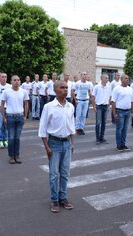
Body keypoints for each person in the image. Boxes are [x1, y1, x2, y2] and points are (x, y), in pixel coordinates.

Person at [38, 80, 75, 213]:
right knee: (54, 174)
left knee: (65, 173)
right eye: (62, 87)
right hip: (54, 143)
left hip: (66, 143)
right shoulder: (49, 107)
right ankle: (54, 200)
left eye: (66, 87)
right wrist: (47, 147)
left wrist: (72, 143)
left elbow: (72, 126)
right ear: (55, 90)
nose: (65, 90)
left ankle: (63, 198)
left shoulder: (70, 106)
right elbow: (42, 128)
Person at [1, 75, 29, 164]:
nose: (16, 81)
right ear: (11, 81)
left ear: (20, 81)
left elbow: (26, 104)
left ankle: (17, 155)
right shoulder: (6, 92)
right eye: (14, 80)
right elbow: (2, 104)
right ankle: (11, 156)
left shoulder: (23, 92)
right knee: (11, 138)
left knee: (17, 138)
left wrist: (25, 116)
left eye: (18, 80)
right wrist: (4, 117)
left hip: (20, 116)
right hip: (10, 116)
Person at [111, 74, 133, 151]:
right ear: (121, 80)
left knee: (125, 129)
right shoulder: (117, 89)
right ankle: (119, 145)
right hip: (119, 111)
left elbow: (132, 101)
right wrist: (114, 113)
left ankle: (123, 144)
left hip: (127, 111)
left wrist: (132, 112)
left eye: (128, 78)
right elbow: (113, 102)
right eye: (125, 78)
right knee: (119, 129)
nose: (127, 80)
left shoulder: (130, 89)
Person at [92, 74, 111, 144]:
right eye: (106, 78)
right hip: (99, 107)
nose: (107, 79)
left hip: (105, 107)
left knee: (104, 123)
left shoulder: (108, 87)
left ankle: (102, 137)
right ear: (101, 78)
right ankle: (97, 138)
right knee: (98, 123)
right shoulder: (97, 87)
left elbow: (110, 97)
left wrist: (108, 105)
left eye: (108, 78)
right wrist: (94, 107)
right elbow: (93, 97)